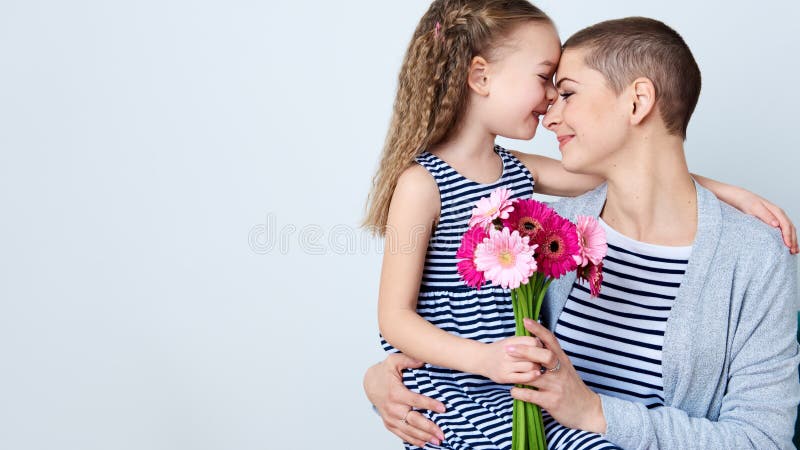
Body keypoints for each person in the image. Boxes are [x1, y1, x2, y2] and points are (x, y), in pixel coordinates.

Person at [364, 15, 800, 449]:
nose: (550, 113)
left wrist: (593, 412)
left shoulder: (754, 255)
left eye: (567, 92)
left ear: (637, 102)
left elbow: (764, 441)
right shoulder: (548, 235)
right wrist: (384, 379)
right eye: (547, 84)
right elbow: (435, 326)